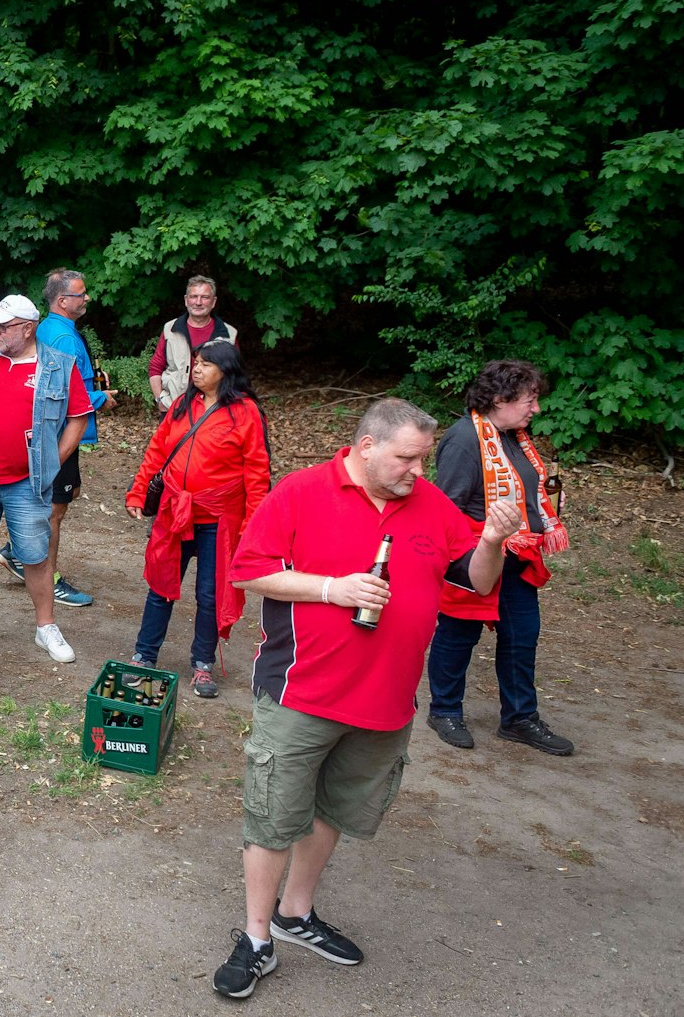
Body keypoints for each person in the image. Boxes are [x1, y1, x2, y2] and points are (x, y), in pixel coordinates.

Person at [208, 399, 522, 1000]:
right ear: (366, 446)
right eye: (406, 458)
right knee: (274, 816)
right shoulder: (301, 493)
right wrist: (333, 588)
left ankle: (294, 915)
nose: (418, 472)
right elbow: (247, 571)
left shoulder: (429, 504)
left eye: (422, 459)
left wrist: (493, 540)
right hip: (301, 691)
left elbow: (475, 581)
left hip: (385, 701)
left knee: (337, 809)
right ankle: (255, 939)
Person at [424, 360, 575, 755]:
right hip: (474, 555)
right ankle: (444, 711)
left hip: (517, 557)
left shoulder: (514, 435)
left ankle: (520, 718)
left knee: (521, 637)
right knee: (459, 634)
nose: (536, 409)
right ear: (499, 398)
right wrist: (472, 551)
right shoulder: (464, 439)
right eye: (530, 399)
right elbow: (446, 508)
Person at [0, 295, 92, 667]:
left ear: (28, 328)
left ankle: (46, 628)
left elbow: (78, 417)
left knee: (36, 558)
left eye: (2, 326)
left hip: (28, 483)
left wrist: (54, 460)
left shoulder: (59, 365)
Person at [123, 339, 271, 698]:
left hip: (219, 519)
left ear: (226, 370)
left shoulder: (246, 412)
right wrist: (139, 491)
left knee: (210, 593)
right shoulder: (182, 404)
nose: (197, 369)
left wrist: (253, 526)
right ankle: (145, 655)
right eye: (196, 362)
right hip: (175, 512)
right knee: (161, 585)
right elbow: (158, 450)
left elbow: (257, 472)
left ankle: (202, 664)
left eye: (205, 364)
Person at [0, 269, 118, 607]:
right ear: (63, 301)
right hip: (58, 433)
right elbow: (61, 392)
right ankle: (49, 576)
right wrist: (102, 399)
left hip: (53, 433)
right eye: (81, 293)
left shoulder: (51, 329)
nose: (87, 297)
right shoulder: (61, 337)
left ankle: (17, 550)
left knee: (60, 497)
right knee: (53, 511)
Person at [148, 275, 238, 411]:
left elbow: (235, 373)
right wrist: (159, 399)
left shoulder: (228, 334)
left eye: (205, 297)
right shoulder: (170, 329)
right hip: (175, 407)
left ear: (213, 302)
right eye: (194, 296)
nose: (198, 302)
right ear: (186, 300)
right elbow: (156, 366)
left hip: (215, 410)